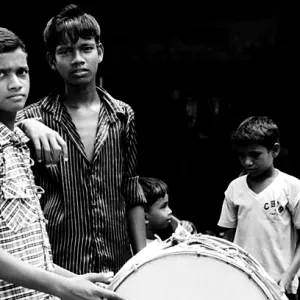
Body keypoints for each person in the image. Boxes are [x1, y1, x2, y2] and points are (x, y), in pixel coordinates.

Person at [16, 4, 146, 275]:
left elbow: (131, 191)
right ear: (52, 60)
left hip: (117, 261)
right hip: (59, 264)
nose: (77, 59)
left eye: (86, 48)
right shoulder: (33, 119)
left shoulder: (122, 116)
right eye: (66, 51)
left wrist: (142, 261)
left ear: (99, 52)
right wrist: (25, 123)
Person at [0, 26, 126, 300]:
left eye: (21, 72)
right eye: (1, 74)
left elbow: (28, 249)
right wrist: (63, 287)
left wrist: (71, 280)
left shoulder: (19, 144)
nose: (15, 83)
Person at [217, 116, 300, 300]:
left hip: (280, 286)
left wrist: (288, 276)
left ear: (275, 150)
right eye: (241, 155)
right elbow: (227, 240)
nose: (247, 162)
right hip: (243, 282)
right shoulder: (234, 188)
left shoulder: (291, 187)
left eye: (255, 155)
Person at [139, 177, 196, 244]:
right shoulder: (144, 245)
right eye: (163, 206)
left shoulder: (165, 224)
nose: (170, 211)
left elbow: (185, 229)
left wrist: (183, 226)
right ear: (145, 217)